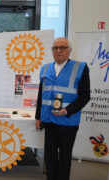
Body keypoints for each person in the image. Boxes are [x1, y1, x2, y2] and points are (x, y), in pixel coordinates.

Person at [35, 37, 90, 180]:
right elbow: (41, 95)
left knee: (65, 159)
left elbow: (85, 96)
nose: (58, 50)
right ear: (52, 50)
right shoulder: (45, 68)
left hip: (68, 122)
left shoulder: (80, 68)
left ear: (69, 50)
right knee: (49, 157)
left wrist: (67, 110)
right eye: (55, 48)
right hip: (49, 121)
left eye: (62, 47)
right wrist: (38, 117)